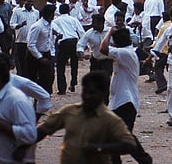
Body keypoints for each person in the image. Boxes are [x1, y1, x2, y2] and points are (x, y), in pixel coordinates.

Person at [21, 71, 152, 164]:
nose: (88, 96)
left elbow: (129, 144)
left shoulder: (110, 120)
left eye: (93, 93)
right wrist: (22, 148)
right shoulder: (69, 111)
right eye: (85, 91)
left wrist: (98, 148)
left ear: (103, 93)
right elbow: (44, 130)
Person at [100, 26, 143, 164]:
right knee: (114, 137)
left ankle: (144, 159)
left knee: (123, 138)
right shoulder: (126, 52)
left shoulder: (125, 53)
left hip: (126, 102)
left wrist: (109, 33)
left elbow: (103, 48)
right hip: (120, 101)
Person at [52, 4, 86, 95]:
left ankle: (62, 88)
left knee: (61, 66)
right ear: (68, 11)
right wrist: (82, 45)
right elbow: (81, 31)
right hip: (74, 41)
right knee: (74, 64)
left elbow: (54, 32)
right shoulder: (73, 19)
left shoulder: (56, 21)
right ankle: (73, 83)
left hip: (63, 43)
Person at [77, 14, 113, 97]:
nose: (92, 24)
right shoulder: (89, 33)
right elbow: (81, 44)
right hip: (95, 61)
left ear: (101, 23)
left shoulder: (110, 32)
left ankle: (105, 101)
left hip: (107, 61)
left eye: (94, 22)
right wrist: (81, 52)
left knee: (105, 81)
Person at [26, 5, 56, 94]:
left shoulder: (50, 25)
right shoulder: (38, 26)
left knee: (49, 77)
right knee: (33, 79)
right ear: (50, 15)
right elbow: (31, 44)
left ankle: (45, 96)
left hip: (47, 54)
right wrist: (40, 57)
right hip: (35, 56)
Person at [9, 0, 39, 76]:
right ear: (24, 1)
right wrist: (19, 25)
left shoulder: (36, 12)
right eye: (28, 1)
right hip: (21, 41)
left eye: (32, 2)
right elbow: (11, 24)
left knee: (31, 62)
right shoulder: (17, 11)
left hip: (32, 42)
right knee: (20, 61)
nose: (30, 3)